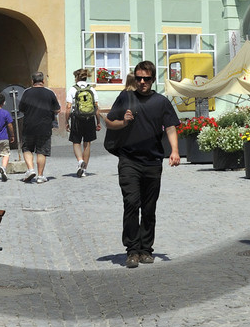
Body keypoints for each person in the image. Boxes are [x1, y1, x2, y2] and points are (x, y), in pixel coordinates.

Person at [103, 60, 179, 268]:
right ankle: (132, 250)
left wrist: (174, 151)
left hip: (153, 161)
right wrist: (124, 122)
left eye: (146, 78)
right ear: (135, 79)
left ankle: (146, 250)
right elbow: (109, 122)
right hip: (129, 160)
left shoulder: (161, 102)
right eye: (138, 78)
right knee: (131, 203)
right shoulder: (125, 97)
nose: (142, 82)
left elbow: (171, 126)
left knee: (149, 207)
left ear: (153, 79)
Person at [16, 71, 61, 183]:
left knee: (27, 149)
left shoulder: (27, 92)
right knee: (41, 151)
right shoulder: (50, 93)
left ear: (32, 81)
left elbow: (21, 108)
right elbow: (57, 109)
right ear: (43, 81)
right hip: (45, 126)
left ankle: (31, 169)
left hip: (29, 126)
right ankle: (40, 176)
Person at [68, 69, 100, 177]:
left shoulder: (73, 89)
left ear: (76, 78)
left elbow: (68, 107)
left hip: (76, 118)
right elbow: (96, 107)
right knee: (87, 144)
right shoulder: (91, 89)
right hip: (90, 118)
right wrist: (98, 121)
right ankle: (84, 170)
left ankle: (80, 161)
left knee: (76, 142)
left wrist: (66, 121)